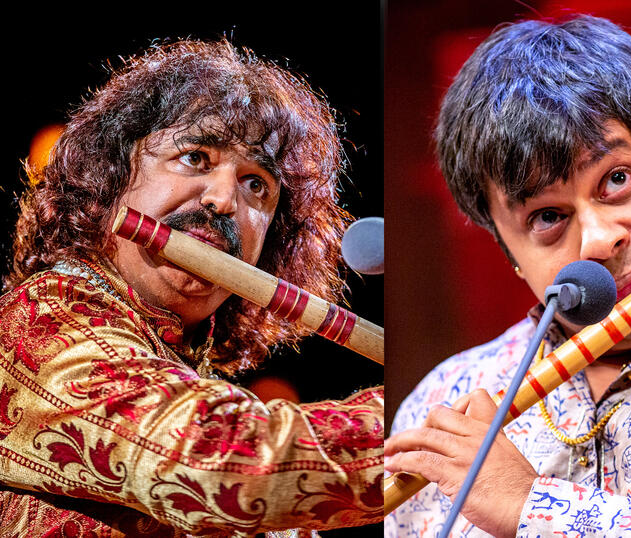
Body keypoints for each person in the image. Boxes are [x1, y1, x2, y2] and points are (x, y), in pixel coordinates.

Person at [384, 15, 631, 537]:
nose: (597, 240)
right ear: (509, 253)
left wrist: (532, 508)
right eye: (547, 217)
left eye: (616, 179)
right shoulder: (442, 401)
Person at [0, 39, 383, 537]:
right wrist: (411, 416)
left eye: (256, 184)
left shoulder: (185, 370)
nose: (224, 199)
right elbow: (218, 461)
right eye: (196, 157)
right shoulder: (40, 319)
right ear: (112, 178)